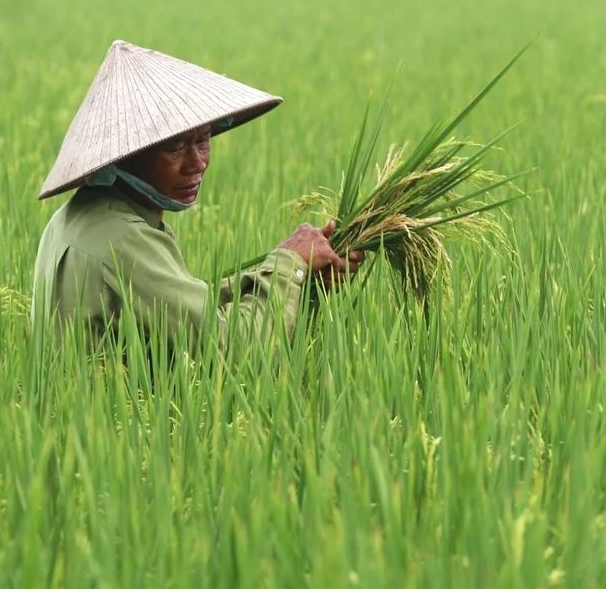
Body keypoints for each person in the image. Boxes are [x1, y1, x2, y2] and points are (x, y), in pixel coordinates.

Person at [30, 40, 363, 360]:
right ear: (124, 156)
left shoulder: (81, 215)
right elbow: (237, 352)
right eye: (174, 148)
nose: (198, 162)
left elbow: (182, 309)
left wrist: (290, 276)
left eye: (202, 141)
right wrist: (287, 265)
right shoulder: (123, 241)